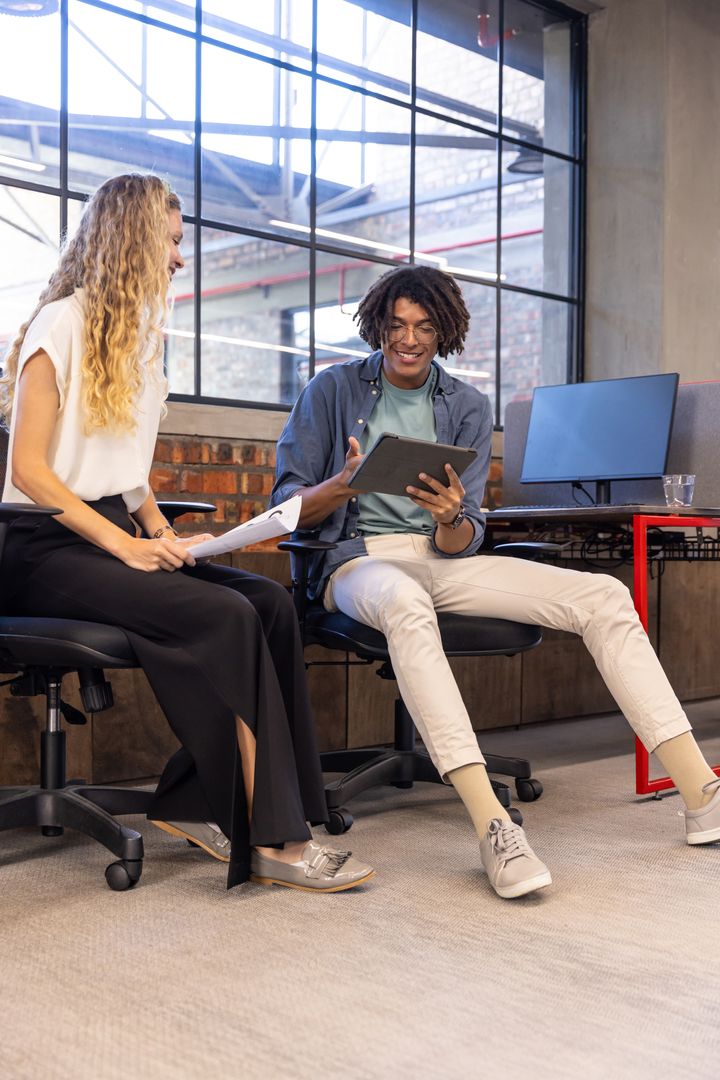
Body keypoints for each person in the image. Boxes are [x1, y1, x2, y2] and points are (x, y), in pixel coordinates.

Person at [272, 263, 720, 900]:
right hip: (358, 559)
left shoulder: (468, 407)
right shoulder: (332, 389)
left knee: (605, 596)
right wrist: (341, 484)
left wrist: (451, 516)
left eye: (424, 326)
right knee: (404, 599)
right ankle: (493, 824)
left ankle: (701, 791)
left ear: (444, 332)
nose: (408, 338)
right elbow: (285, 506)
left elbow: (464, 536)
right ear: (377, 325)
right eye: (396, 324)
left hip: (443, 557)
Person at [0, 173, 373, 894]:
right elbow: (30, 472)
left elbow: (124, 466)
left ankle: (203, 802)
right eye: (171, 241)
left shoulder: (139, 339)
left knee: (267, 603)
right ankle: (275, 840)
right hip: (42, 546)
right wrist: (124, 545)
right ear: (131, 240)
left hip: (108, 535)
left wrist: (160, 531)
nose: (180, 256)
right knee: (224, 615)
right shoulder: (60, 324)